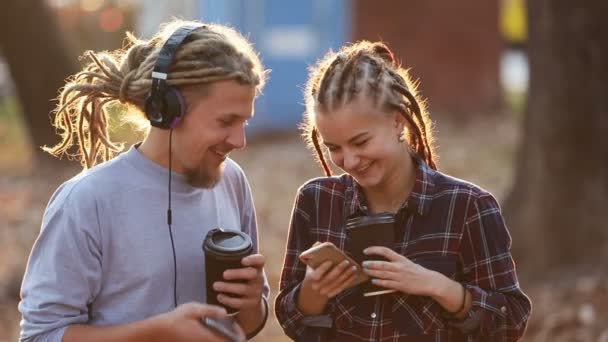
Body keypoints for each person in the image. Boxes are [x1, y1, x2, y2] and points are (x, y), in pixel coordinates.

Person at [19, 20, 270, 342]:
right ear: (166, 111)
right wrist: (156, 333)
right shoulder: (88, 200)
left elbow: (245, 324)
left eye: (245, 121)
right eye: (226, 121)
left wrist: (250, 306)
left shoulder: (231, 179)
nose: (240, 140)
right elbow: (42, 335)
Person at [275, 41, 532, 341]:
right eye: (334, 147)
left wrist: (439, 287)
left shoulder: (467, 207)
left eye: (360, 142)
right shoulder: (316, 202)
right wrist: (311, 295)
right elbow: (292, 320)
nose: (350, 160)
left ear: (397, 122)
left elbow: (510, 322)